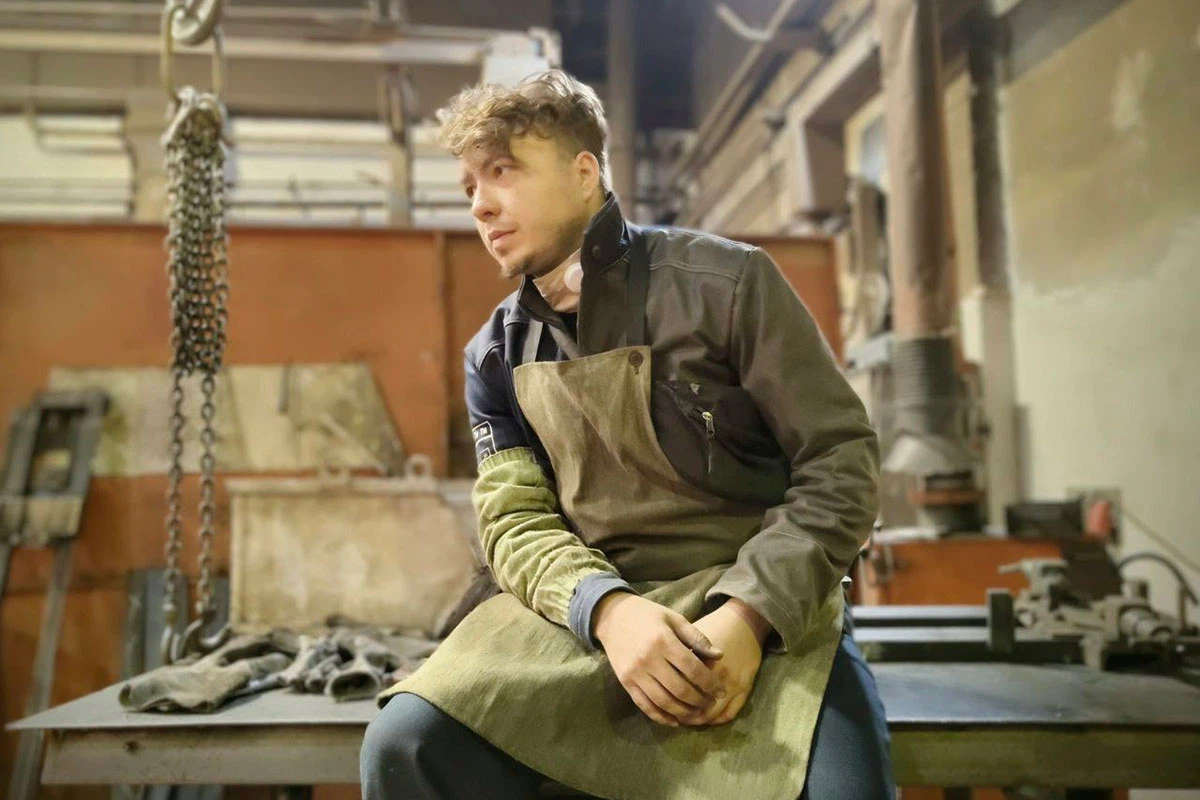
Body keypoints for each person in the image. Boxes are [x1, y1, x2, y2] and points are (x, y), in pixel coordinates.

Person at [360, 69, 893, 800]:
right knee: (406, 746)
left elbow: (841, 461)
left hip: (759, 608)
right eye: (469, 186)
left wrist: (750, 617)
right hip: (590, 618)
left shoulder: (727, 287)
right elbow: (514, 519)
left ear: (585, 174)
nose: (480, 204)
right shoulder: (494, 356)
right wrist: (606, 611)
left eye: (503, 171)